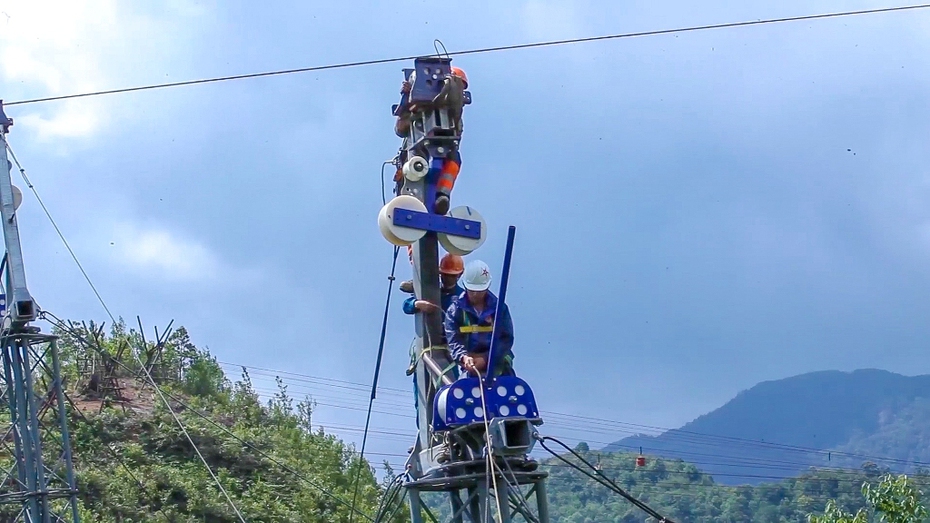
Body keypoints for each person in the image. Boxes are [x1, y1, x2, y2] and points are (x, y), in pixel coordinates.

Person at [393, 67, 468, 215]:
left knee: (454, 160)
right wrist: (409, 100)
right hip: (416, 151)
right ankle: (414, 201)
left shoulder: (454, 116)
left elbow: (455, 136)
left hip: (441, 149)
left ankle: (442, 196)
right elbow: (400, 129)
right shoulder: (416, 104)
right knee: (417, 165)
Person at [444, 260, 514, 378]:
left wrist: (486, 358)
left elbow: (505, 339)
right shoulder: (455, 311)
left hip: (500, 368)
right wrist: (464, 357)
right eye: (472, 290)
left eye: (479, 291)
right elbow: (454, 340)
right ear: (465, 286)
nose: (475, 294)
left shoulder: (499, 309)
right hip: (471, 370)